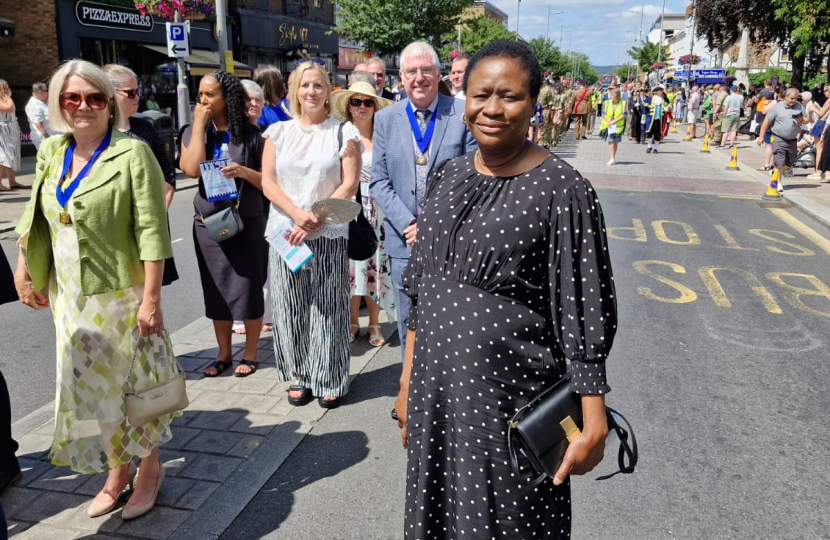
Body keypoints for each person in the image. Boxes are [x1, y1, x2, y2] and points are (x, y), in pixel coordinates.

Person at [395, 39, 617, 540]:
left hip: (510, 406)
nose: (491, 108)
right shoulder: (447, 177)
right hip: (436, 396)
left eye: (509, 96)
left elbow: (583, 307)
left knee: (508, 522)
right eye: (480, 94)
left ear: (534, 102)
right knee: (439, 516)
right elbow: (420, 293)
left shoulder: (563, 189)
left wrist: (593, 414)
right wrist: (407, 384)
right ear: (463, 98)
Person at [13, 59, 175, 520]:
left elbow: (151, 230)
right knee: (94, 389)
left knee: (136, 388)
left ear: (108, 102)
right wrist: (24, 267)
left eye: (94, 98)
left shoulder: (131, 153)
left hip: (121, 294)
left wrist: (151, 298)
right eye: (72, 98)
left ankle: (149, 470)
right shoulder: (50, 151)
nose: (83, 106)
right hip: (69, 296)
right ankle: (117, 469)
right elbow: (34, 216)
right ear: (59, 103)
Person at [260, 60, 361, 409]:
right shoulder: (278, 133)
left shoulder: (343, 132)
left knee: (329, 307)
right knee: (290, 307)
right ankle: (301, 375)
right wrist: (296, 216)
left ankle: (330, 377)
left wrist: (315, 216)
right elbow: (268, 182)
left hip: (328, 231)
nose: (311, 91)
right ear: (294, 92)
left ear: (328, 90)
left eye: (318, 85)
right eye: (305, 86)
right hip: (286, 235)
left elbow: (350, 182)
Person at [369, 40, 477, 365]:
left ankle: (445, 397)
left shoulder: (461, 114)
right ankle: (409, 393)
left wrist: (432, 226)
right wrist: (408, 224)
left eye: (426, 70)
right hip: (405, 242)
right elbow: (378, 181)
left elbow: (472, 180)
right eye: (411, 71)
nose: (419, 77)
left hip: (450, 243)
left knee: (450, 322)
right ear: (401, 77)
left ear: (438, 72)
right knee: (407, 321)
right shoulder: (386, 119)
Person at [179, 71, 267, 378]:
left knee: (248, 286)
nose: (202, 100)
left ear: (227, 98)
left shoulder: (253, 136)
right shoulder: (193, 131)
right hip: (208, 224)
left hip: (247, 223)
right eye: (200, 94)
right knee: (216, 290)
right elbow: (190, 169)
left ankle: (252, 352)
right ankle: (224, 353)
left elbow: (269, 182)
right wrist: (200, 124)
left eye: (209, 95)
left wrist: (242, 171)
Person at [330, 74, 395, 346]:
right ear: (348, 106)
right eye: (355, 101)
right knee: (350, 269)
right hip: (348, 208)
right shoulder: (338, 135)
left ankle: (375, 324)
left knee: (373, 268)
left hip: (377, 211)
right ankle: (352, 321)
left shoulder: (383, 138)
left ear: (375, 107)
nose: (361, 107)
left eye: (367, 102)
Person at [103, 64, 179, 287]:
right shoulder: (98, 133)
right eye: (131, 92)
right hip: (115, 229)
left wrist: (155, 214)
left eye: (139, 91)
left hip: (149, 224)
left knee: (150, 291)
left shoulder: (144, 128)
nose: (138, 97)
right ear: (109, 93)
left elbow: (167, 174)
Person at [757, 88, 810, 193]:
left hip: (792, 140)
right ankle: (778, 183)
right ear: (786, 96)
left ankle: (775, 172)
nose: (793, 101)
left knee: (790, 162)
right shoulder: (777, 107)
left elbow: (807, 119)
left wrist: (801, 120)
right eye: (791, 98)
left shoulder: (799, 106)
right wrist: (761, 136)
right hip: (778, 138)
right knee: (779, 161)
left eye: (795, 98)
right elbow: (766, 121)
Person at [0, 79, 22, 191]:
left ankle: (12, 181)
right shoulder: (3, 100)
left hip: (12, 128)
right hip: (3, 130)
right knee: (5, 157)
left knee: (13, 155)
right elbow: (9, 108)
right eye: (6, 87)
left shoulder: (6, 99)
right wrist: (8, 97)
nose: (8, 88)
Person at [601, 88, 626, 165]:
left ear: (617, 95)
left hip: (618, 126)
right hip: (609, 125)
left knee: (615, 142)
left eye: (613, 94)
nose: (611, 96)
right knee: (610, 142)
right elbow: (603, 113)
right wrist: (609, 122)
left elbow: (623, 115)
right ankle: (611, 158)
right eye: (610, 94)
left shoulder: (623, 103)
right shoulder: (607, 102)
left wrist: (614, 121)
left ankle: (613, 157)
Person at [25, 82, 52, 150]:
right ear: (40, 92)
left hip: (51, 136)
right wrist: (46, 136)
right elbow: (38, 123)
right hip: (44, 139)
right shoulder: (34, 105)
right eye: (46, 90)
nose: (48, 93)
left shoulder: (43, 102)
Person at [644, 85, 667, 153]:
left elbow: (668, 107)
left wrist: (667, 110)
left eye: (662, 91)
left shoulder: (664, 99)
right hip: (651, 118)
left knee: (658, 134)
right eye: (660, 91)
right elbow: (645, 108)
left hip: (660, 119)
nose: (661, 92)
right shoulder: (650, 99)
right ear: (656, 92)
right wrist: (643, 116)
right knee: (649, 132)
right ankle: (649, 146)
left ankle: (655, 148)